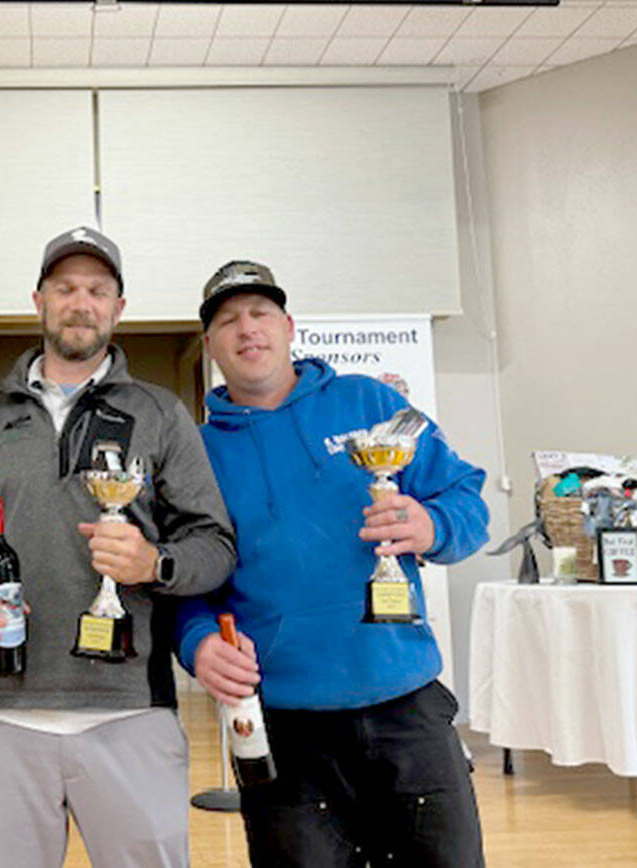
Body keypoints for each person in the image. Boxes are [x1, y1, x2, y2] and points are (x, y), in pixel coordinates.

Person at [0, 226, 237, 868]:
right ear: (39, 301)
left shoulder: (159, 414)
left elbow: (213, 543)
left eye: (98, 290)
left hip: (129, 711)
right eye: (65, 288)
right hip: (2, 708)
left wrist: (153, 563)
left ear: (118, 309)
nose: (81, 302)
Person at [176, 261, 489, 867]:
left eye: (261, 313)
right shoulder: (197, 453)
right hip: (285, 727)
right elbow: (191, 579)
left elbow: (465, 497)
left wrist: (432, 526)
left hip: (407, 707)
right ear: (210, 344)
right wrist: (197, 643)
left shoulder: (370, 401)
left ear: (289, 326)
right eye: (228, 320)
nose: (248, 330)